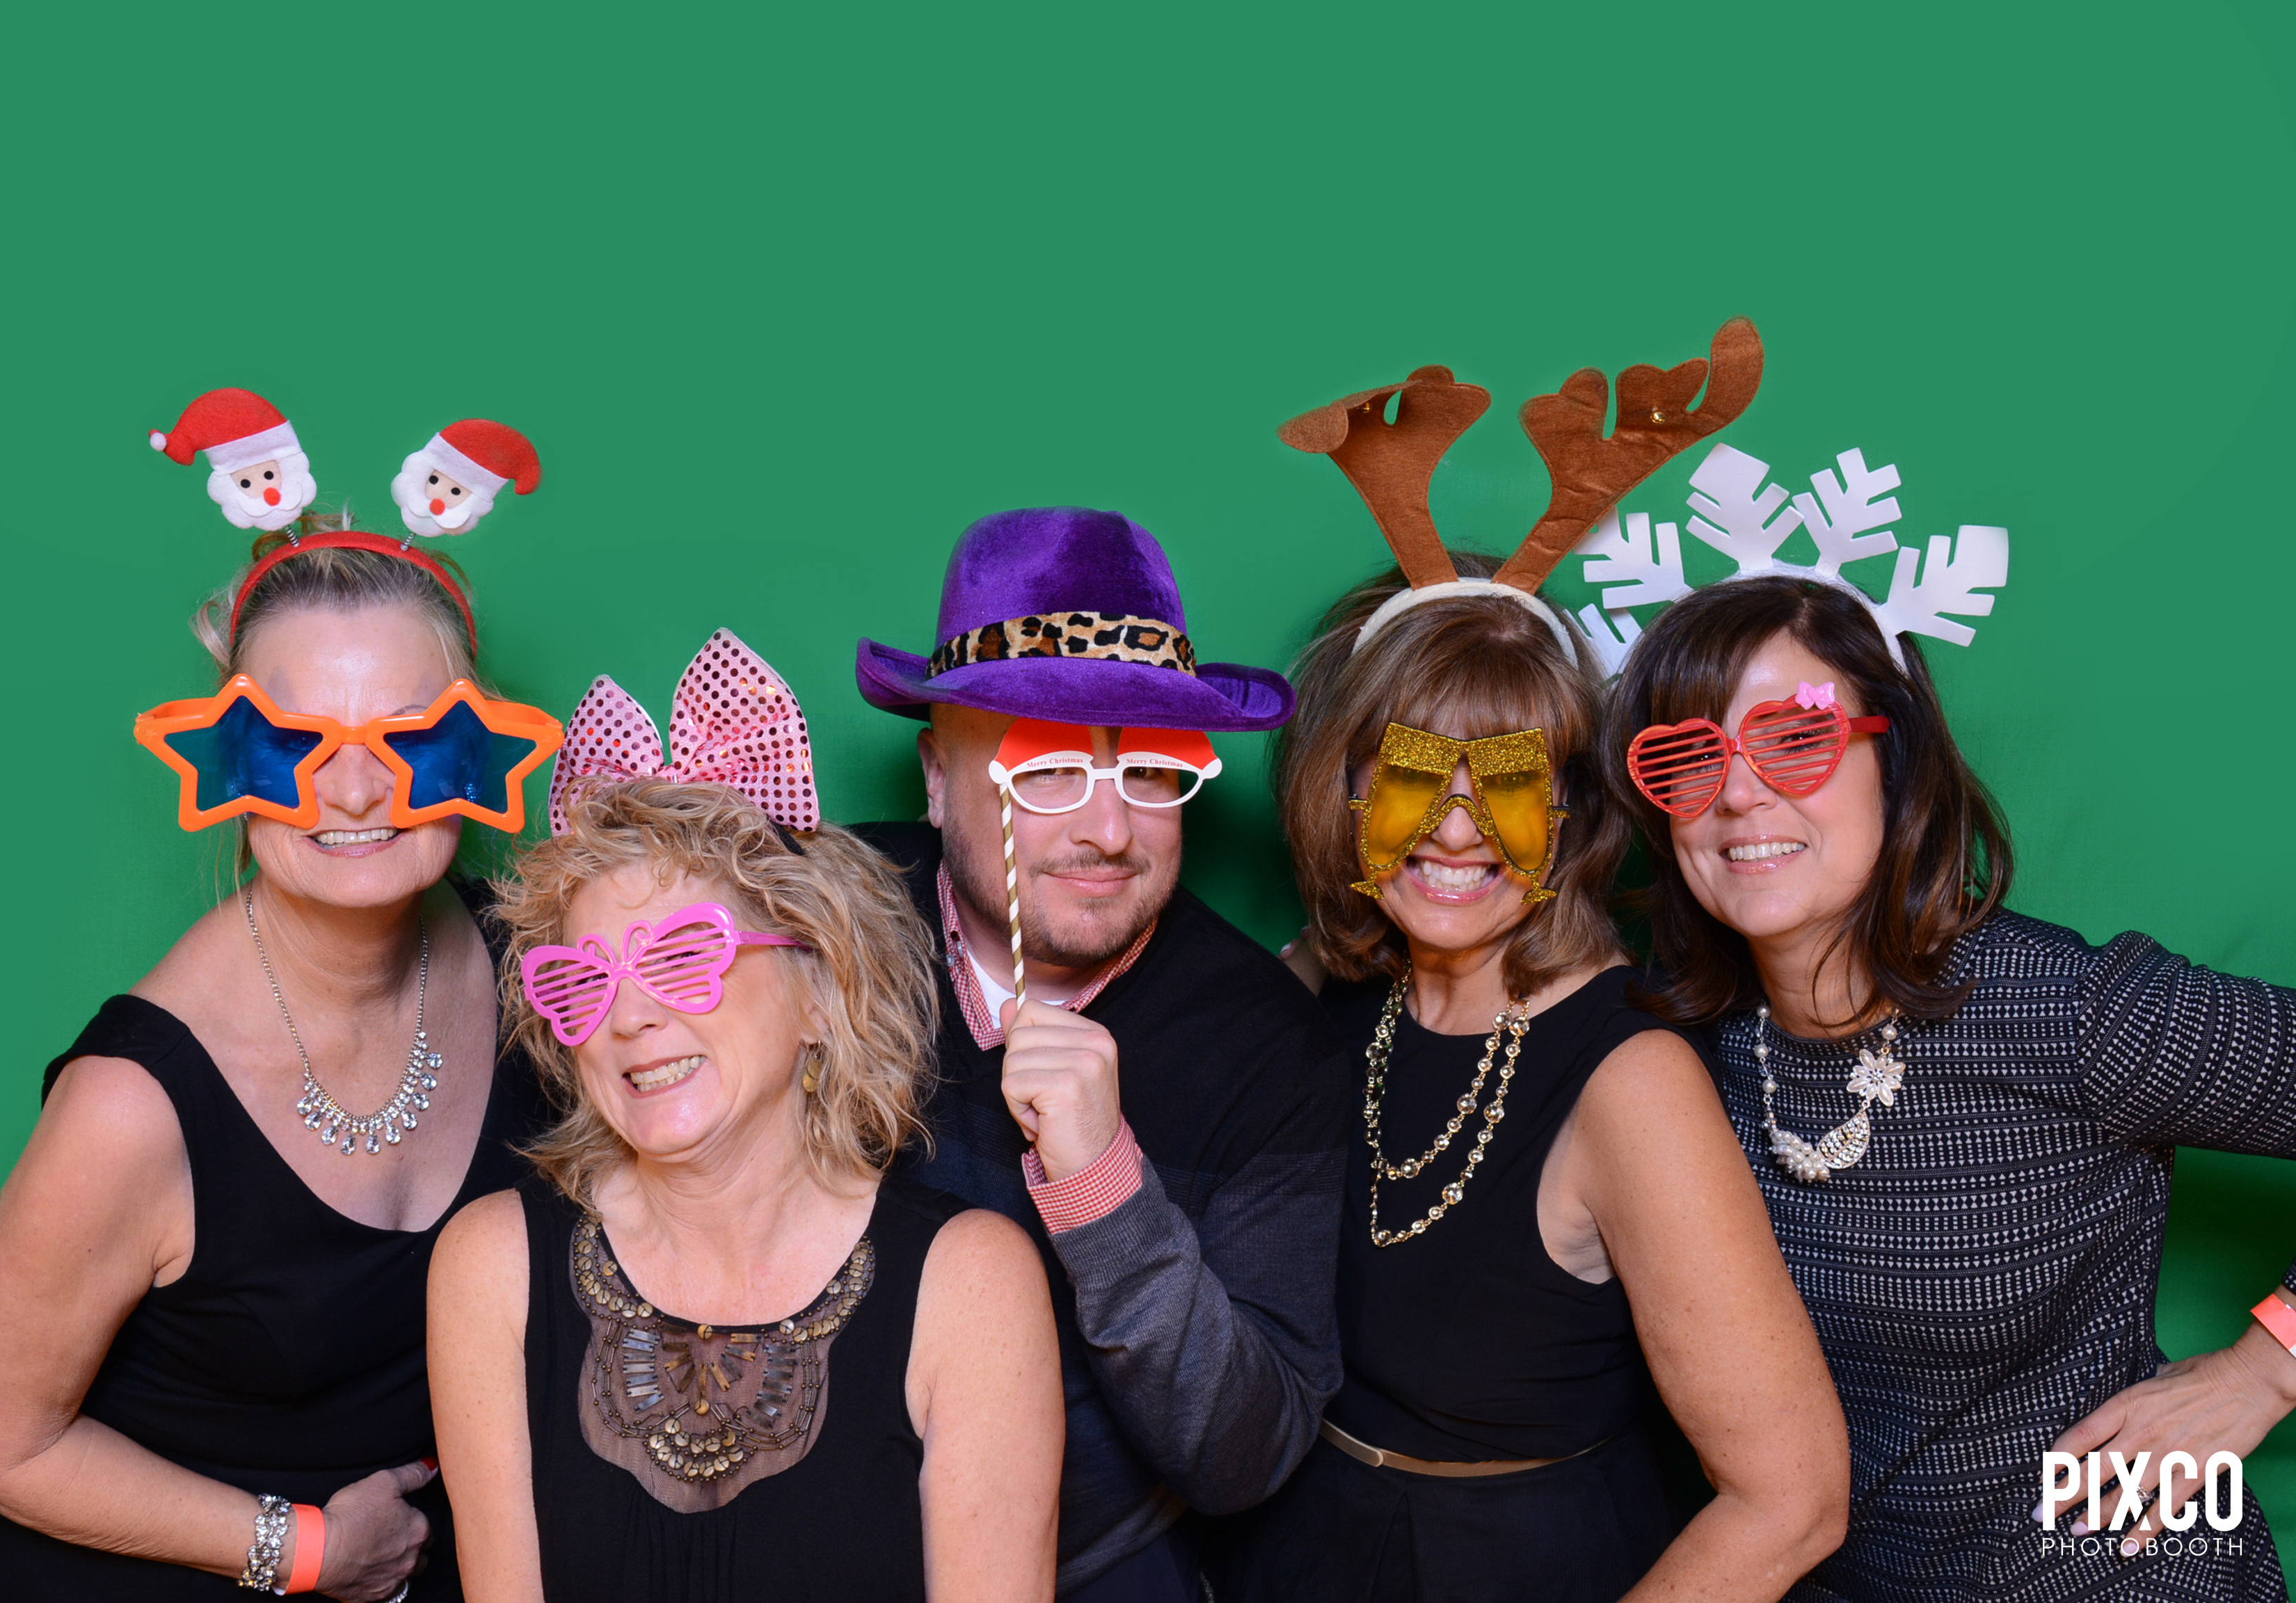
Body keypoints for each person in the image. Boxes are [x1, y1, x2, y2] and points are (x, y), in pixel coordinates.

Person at [1216, 353, 1849, 1602]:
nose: (1457, 830)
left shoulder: (1631, 1082)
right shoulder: (1338, 985)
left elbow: (1794, 1501)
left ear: (1571, 810)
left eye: (1507, 780)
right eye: (1413, 774)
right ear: (1343, 788)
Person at [0, 448, 564, 1600]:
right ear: (226, 759)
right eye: (293, 742)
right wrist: (304, 1550)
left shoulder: (532, 967)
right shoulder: (132, 1103)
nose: (354, 791)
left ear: (478, 748)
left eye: (412, 737)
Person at [1608, 573, 2296, 1600]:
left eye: (1794, 739)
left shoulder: (2063, 1009)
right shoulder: (1681, 1045)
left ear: (1894, 763)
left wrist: (2266, 1369)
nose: (1739, 793)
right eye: (1687, 759)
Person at [429, 632, 1062, 1603]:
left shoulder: (972, 1283)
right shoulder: (491, 1268)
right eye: (584, 981)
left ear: (820, 987)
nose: (629, 1018)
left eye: (684, 958)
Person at [850, 506, 1350, 1600]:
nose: (1110, 832)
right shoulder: (815, 935)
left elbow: (1246, 1455)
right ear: (935, 778)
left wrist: (1103, 1192)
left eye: (1152, 773)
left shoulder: (1271, 1050)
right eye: (1047, 772)